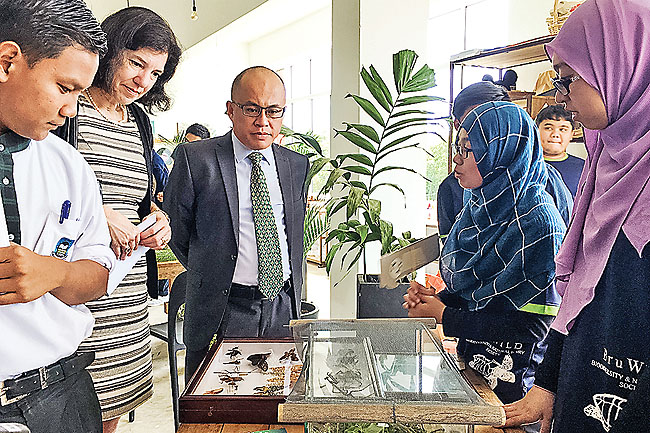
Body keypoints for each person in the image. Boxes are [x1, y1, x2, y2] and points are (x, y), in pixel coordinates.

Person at [504, 1, 650, 431]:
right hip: (585, 388)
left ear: (622, 65)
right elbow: (582, 293)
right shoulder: (606, 158)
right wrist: (549, 383)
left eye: (568, 79)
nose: (560, 99)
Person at [53, 7, 180, 432]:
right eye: (136, 63)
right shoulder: (68, 109)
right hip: (76, 283)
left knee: (113, 412)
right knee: (73, 406)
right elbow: (46, 189)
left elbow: (143, 198)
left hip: (126, 294)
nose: (144, 81)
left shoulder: (141, 122)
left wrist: (157, 218)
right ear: (109, 51)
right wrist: (99, 213)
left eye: (156, 73)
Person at [0, 1, 114, 432]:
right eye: (65, 88)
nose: (71, 109)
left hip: (62, 396)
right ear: (8, 61)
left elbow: (97, 275)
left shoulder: (67, 162)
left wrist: (55, 273)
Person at [405, 101, 567, 406]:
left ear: (502, 152)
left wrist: (445, 316)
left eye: (470, 148)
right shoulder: (480, 206)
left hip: (516, 390)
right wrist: (438, 299)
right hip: (474, 372)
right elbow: (478, 297)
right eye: (458, 145)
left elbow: (535, 326)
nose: (456, 158)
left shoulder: (539, 224)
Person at [165, 66, 309, 381]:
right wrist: (212, 270)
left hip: (281, 306)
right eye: (252, 109)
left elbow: (292, 236)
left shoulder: (296, 165)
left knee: (276, 399)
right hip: (223, 307)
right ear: (231, 110)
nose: (263, 122)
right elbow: (177, 231)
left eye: (274, 111)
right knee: (215, 409)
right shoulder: (196, 160)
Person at [438, 82, 572, 239]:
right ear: (458, 125)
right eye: (477, 120)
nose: (488, 129)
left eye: (496, 121)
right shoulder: (458, 189)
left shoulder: (545, 186)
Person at [437, 81, 511, 239]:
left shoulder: (542, 185)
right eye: (475, 118)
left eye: (493, 118)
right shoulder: (453, 188)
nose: (484, 126)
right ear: (458, 125)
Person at [535, 104, 584, 197]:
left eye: (563, 129)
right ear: (536, 130)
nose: (555, 134)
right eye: (548, 128)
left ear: (572, 134)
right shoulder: (526, 165)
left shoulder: (585, 168)